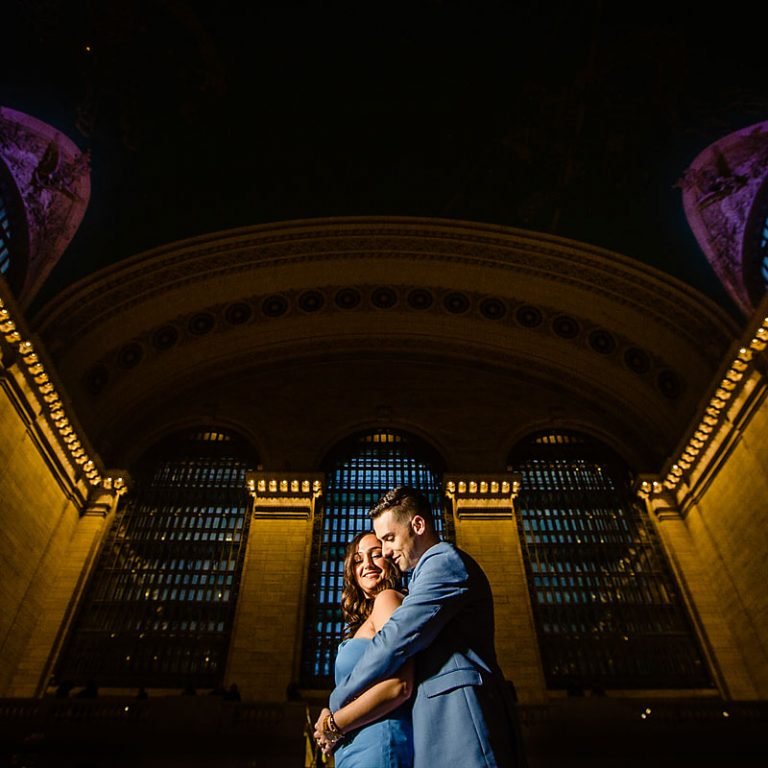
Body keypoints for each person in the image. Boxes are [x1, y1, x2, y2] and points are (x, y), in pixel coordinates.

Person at [327, 486, 517, 768]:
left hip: (463, 718)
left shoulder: (444, 561)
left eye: (388, 539)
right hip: (433, 727)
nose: (387, 551)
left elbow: (395, 639)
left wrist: (337, 702)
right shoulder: (417, 580)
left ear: (417, 524)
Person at [314, 530, 414, 767]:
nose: (367, 564)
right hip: (354, 747)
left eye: (376, 554)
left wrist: (333, 724)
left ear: (391, 559)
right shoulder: (364, 620)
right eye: (358, 559)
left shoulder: (388, 599)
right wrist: (330, 711)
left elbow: (399, 686)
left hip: (378, 743)